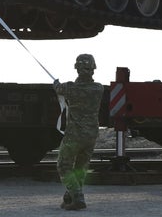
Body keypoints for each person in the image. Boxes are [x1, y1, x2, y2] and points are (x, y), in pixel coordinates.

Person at [53, 53, 104, 211]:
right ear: (93, 68)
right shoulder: (98, 88)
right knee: (81, 167)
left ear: (77, 68)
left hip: (75, 135)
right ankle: (70, 197)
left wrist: (56, 84)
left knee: (63, 165)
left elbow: (58, 89)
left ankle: (78, 197)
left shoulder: (70, 88)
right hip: (91, 135)